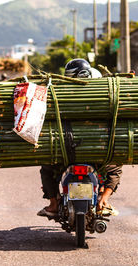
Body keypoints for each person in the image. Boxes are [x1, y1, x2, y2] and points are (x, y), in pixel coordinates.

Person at [37, 58, 122, 218]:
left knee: (47, 169)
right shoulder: (102, 93)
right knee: (114, 168)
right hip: (97, 151)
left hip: (65, 151)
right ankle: (104, 200)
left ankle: (54, 205)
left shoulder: (59, 93)